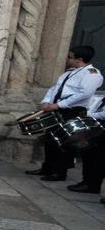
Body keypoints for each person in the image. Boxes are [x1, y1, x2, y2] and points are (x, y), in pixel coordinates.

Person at [26, 45, 103, 182]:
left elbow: (84, 94)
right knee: (50, 139)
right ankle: (47, 167)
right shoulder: (69, 72)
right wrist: (46, 102)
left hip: (71, 110)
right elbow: (54, 89)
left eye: (70, 57)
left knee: (65, 142)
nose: (67, 59)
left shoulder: (92, 73)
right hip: (56, 109)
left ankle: (60, 171)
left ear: (79, 59)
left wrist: (59, 105)